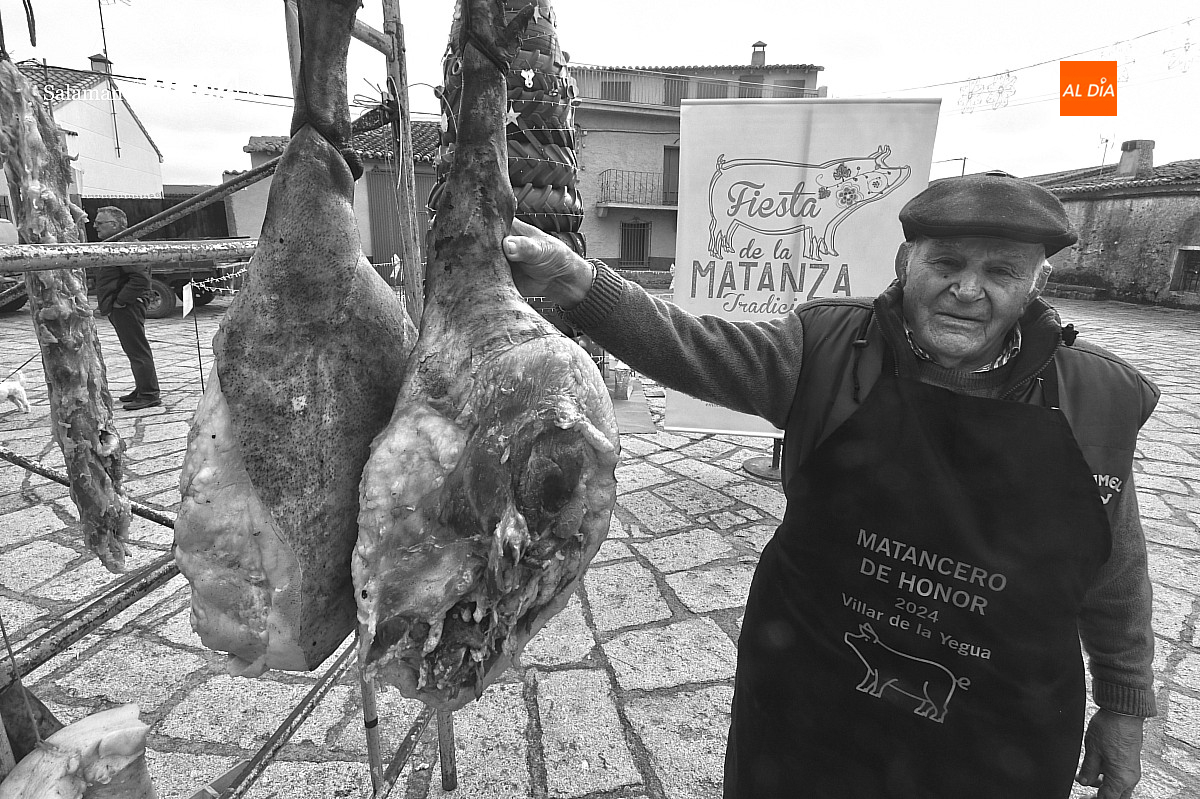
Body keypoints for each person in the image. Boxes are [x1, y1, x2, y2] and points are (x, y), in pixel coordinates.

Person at [503, 172, 1156, 799]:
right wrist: (577, 281)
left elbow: (1114, 568)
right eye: (947, 263)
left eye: (999, 272)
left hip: (993, 729)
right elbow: (694, 346)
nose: (966, 288)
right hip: (810, 699)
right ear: (907, 263)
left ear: (1037, 282)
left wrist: (1124, 703)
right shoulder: (831, 346)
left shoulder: (1093, 399)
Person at [93, 206, 161, 410]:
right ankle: (142, 388)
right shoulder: (118, 243)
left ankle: (149, 393)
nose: (95, 226)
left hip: (127, 306)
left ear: (114, 225)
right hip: (121, 305)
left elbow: (140, 278)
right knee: (133, 350)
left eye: (100, 222)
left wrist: (120, 301)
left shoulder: (124, 245)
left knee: (137, 349)